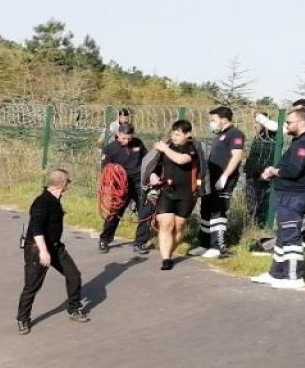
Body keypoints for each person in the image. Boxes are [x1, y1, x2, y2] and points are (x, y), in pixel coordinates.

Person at [252, 108, 305, 289]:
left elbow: (293, 170)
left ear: (300, 122)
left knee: (291, 236)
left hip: (295, 195)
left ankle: (294, 277)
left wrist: (273, 171)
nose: (287, 126)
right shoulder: (302, 141)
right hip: (290, 194)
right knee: (283, 236)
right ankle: (276, 274)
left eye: (289, 122)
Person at [16, 169, 90, 335]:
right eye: (68, 183)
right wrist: (43, 252)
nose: (68, 186)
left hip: (55, 246)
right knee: (32, 286)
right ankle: (22, 318)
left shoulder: (55, 200)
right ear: (62, 184)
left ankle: (73, 309)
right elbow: (36, 229)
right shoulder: (42, 202)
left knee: (74, 275)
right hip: (37, 249)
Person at [188, 107, 245, 258]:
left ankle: (217, 246)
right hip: (210, 179)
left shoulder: (235, 134)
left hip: (223, 180)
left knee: (218, 212)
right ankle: (204, 244)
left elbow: (237, 156)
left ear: (223, 119)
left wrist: (225, 176)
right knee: (206, 210)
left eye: (213, 120)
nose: (211, 123)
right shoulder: (219, 135)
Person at [148, 120, 201, 271]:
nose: (175, 137)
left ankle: (169, 252)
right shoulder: (166, 146)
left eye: (178, 134)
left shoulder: (192, 148)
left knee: (179, 226)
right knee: (166, 224)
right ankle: (166, 259)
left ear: (187, 134)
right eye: (173, 133)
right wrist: (152, 175)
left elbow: (181, 159)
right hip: (166, 191)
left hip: (186, 194)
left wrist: (165, 149)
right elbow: (154, 165)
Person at [98, 122, 153, 254]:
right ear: (118, 135)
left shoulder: (138, 144)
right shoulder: (110, 149)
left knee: (146, 211)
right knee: (115, 212)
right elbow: (105, 169)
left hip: (139, 182)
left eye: (129, 138)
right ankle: (104, 239)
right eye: (123, 138)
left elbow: (147, 160)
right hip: (121, 185)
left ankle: (140, 243)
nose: (126, 141)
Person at [243, 117, 277, 230]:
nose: (254, 125)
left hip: (262, 175)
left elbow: (266, 159)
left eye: (257, 123)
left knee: (262, 202)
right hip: (251, 174)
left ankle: (260, 226)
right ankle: (252, 226)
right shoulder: (258, 138)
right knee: (251, 202)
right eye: (255, 122)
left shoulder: (271, 138)